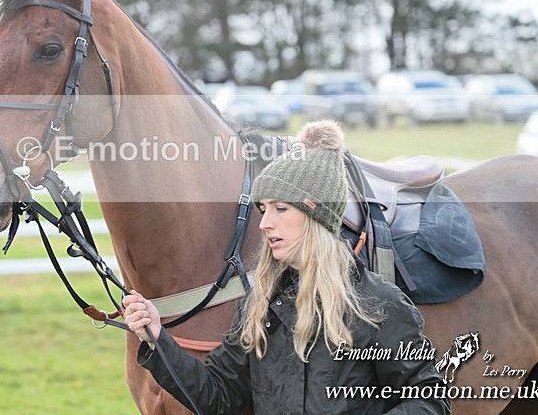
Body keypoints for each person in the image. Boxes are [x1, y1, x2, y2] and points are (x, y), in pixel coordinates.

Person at [122, 120, 450, 414]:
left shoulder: (378, 305)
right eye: (263, 209)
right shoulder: (260, 304)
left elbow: (429, 400)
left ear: (316, 217)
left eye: (280, 208)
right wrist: (157, 338)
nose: (264, 224)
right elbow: (218, 396)